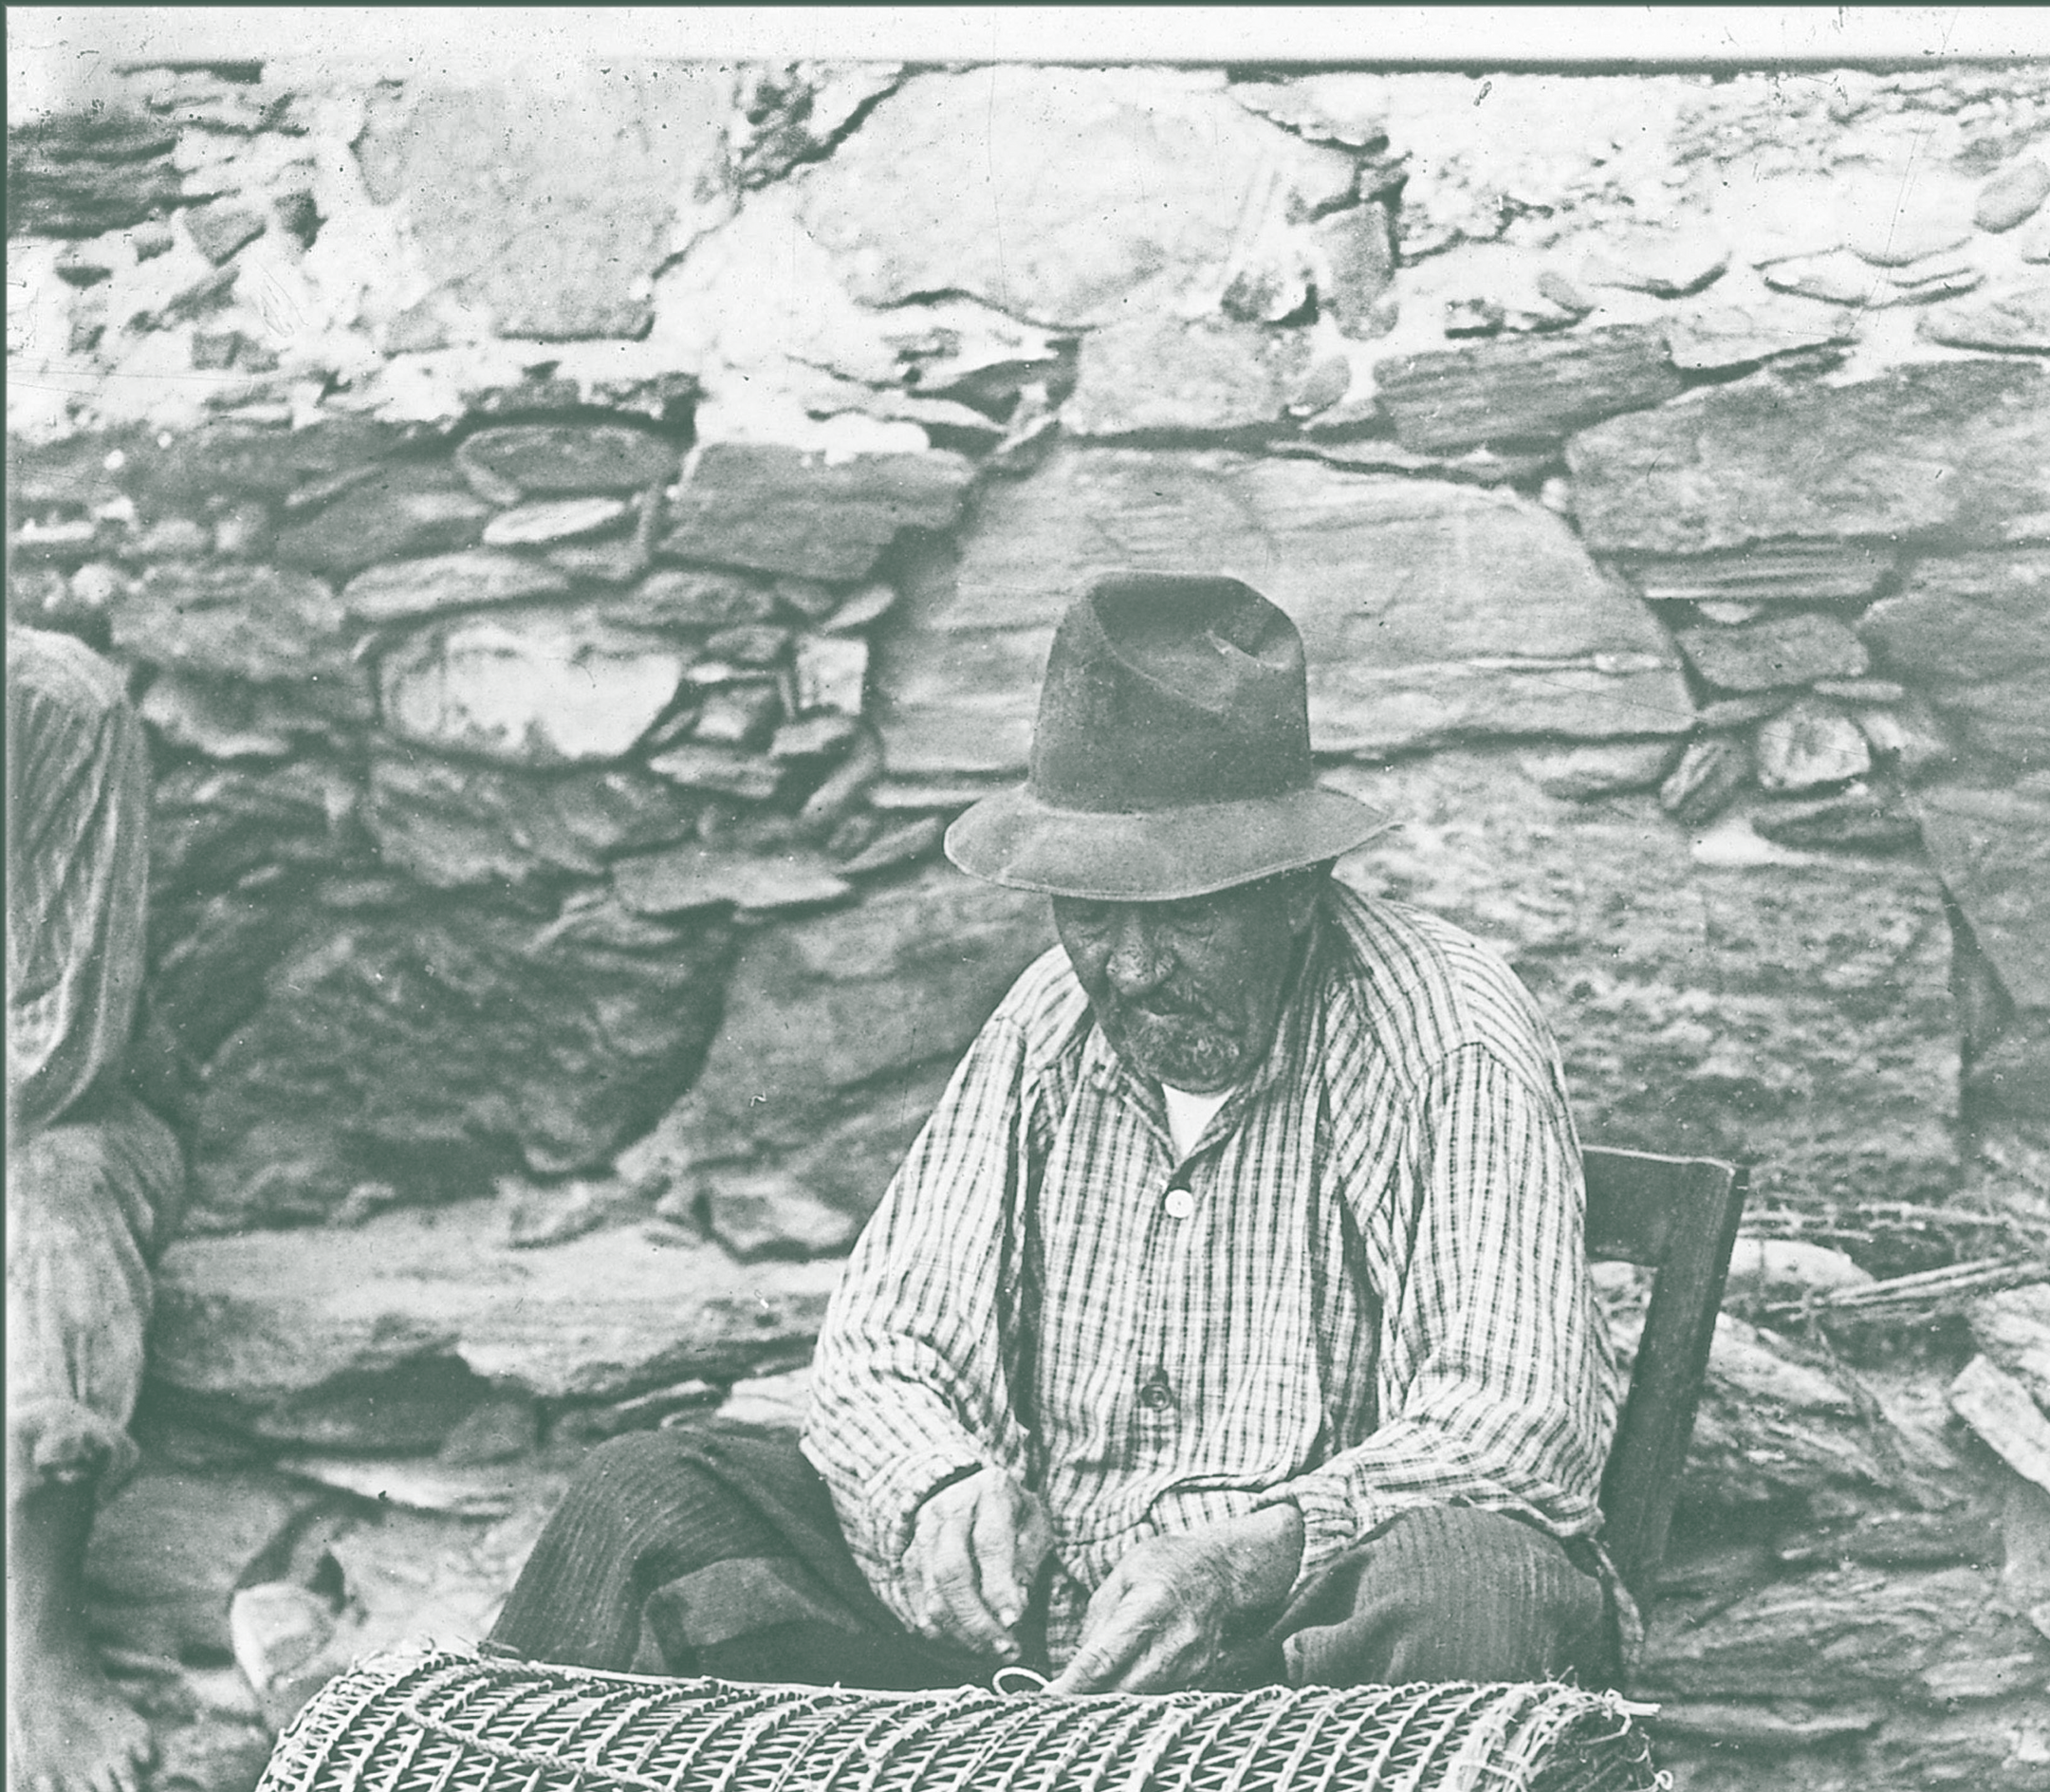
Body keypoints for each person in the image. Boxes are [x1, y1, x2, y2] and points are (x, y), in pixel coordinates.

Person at [492, 574, 1632, 1695]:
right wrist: (935, 1488)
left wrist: (1256, 1550)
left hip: (1282, 1655)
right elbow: (887, 1343)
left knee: (1471, 1582)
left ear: (1296, 888)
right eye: (1090, 914)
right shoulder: (1051, 1018)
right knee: (643, 1495)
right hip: (1041, 1651)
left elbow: (1515, 1420)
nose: (1130, 972)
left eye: (1183, 915)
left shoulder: (1445, 1033)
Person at [7, 627, 186, 1792]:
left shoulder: (58, 709)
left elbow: (60, 1043)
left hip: (53, 1117)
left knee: (52, 1205)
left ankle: (36, 1640)